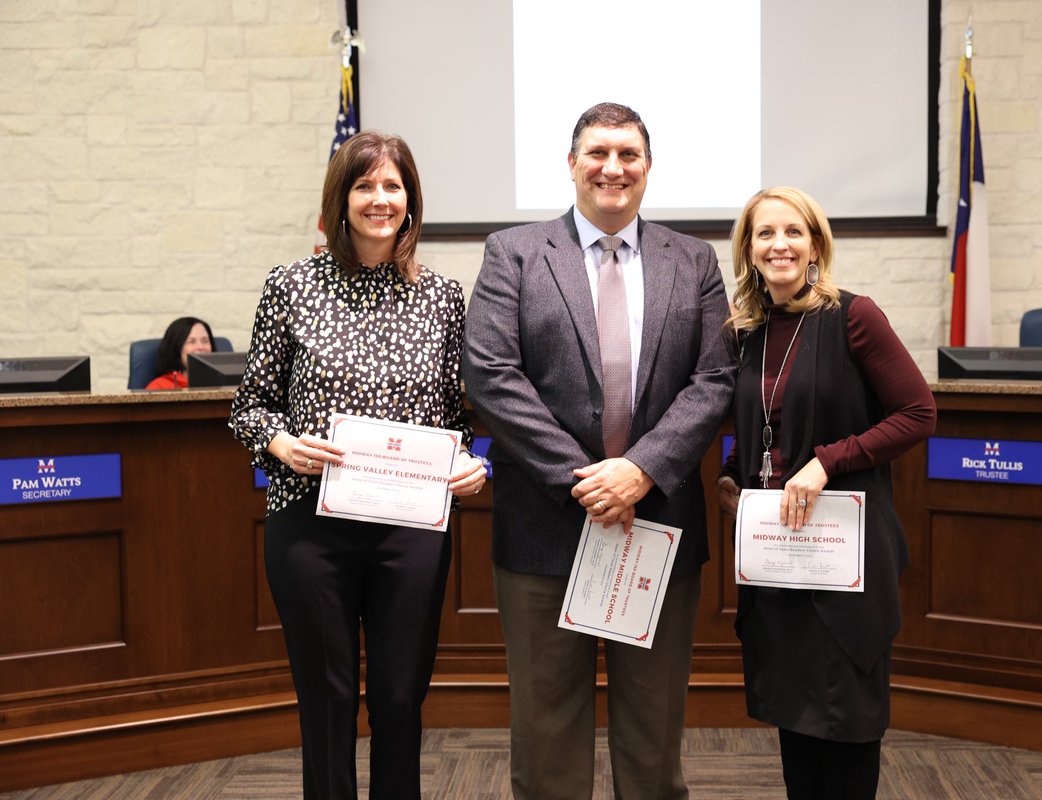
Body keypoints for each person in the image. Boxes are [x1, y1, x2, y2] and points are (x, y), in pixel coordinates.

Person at [463, 102, 736, 799]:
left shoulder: (694, 259)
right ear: (571, 163)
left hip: (659, 525)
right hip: (545, 529)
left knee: (653, 737)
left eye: (629, 154)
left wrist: (640, 470)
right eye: (597, 152)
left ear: (648, 167)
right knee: (548, 736)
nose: (612, 167)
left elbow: (714, 379)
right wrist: (586, 480)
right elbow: (491, 374)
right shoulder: (514, 253)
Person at [229, 130, 487, 800]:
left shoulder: (442, 297)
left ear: (411, 201)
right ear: (340, 199)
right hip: (310, 525)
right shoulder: (290, 286)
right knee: (328, 698)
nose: (380, 199)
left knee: (400, 698)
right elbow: (250, 406)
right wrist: (281, 444)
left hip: (410, 529)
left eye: (392, 186)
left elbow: (454, 420)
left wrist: (468, 461)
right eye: (364, 185)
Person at [717, 186, 936, 799]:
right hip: (779, 558)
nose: (779, 244)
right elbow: (761, 431)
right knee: (798, 730)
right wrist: (737, 481)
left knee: (847, 728)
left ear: (815, 244)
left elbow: (918, 413)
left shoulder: (853, 316)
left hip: (844, 566)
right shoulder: (746, 332)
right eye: (765, 233)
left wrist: (824, 463)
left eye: (793, 231)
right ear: (748, 249)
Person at [144, 316, 214, 389]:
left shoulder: (222, 385)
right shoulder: (158, 387)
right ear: (176, 347)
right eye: (191, 342)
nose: (201, 347)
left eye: (205, 341)